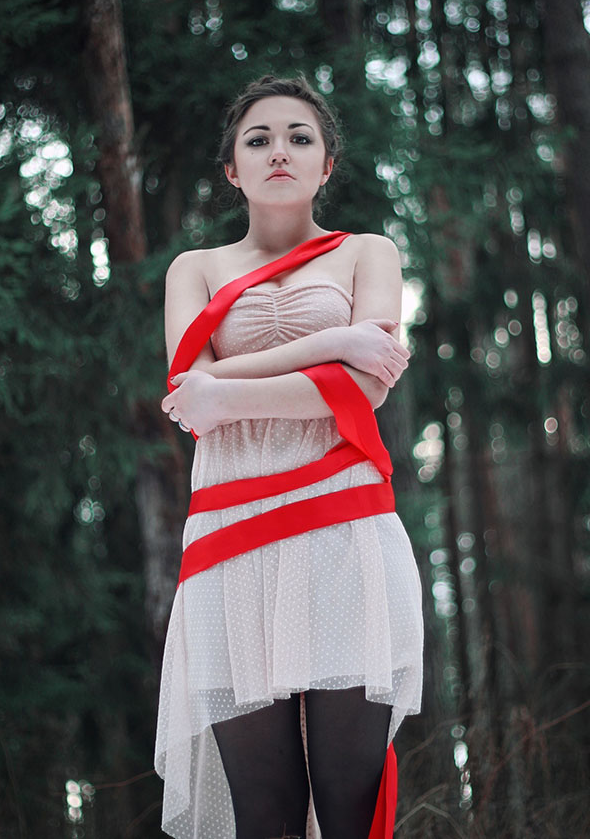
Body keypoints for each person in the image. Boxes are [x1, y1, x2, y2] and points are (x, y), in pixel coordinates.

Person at [154, 74, 423, 839]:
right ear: (232, 170)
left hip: (343, 535)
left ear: (326, 165)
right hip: (231, 544)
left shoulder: (369, 253)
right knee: (264, 815)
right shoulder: (195, 269)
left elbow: (363, 388)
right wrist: (334, 341)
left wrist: (226, 391)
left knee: (348, 806)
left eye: (300, 137)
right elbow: (185, 389)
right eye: (259, 139)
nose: (280, 151)